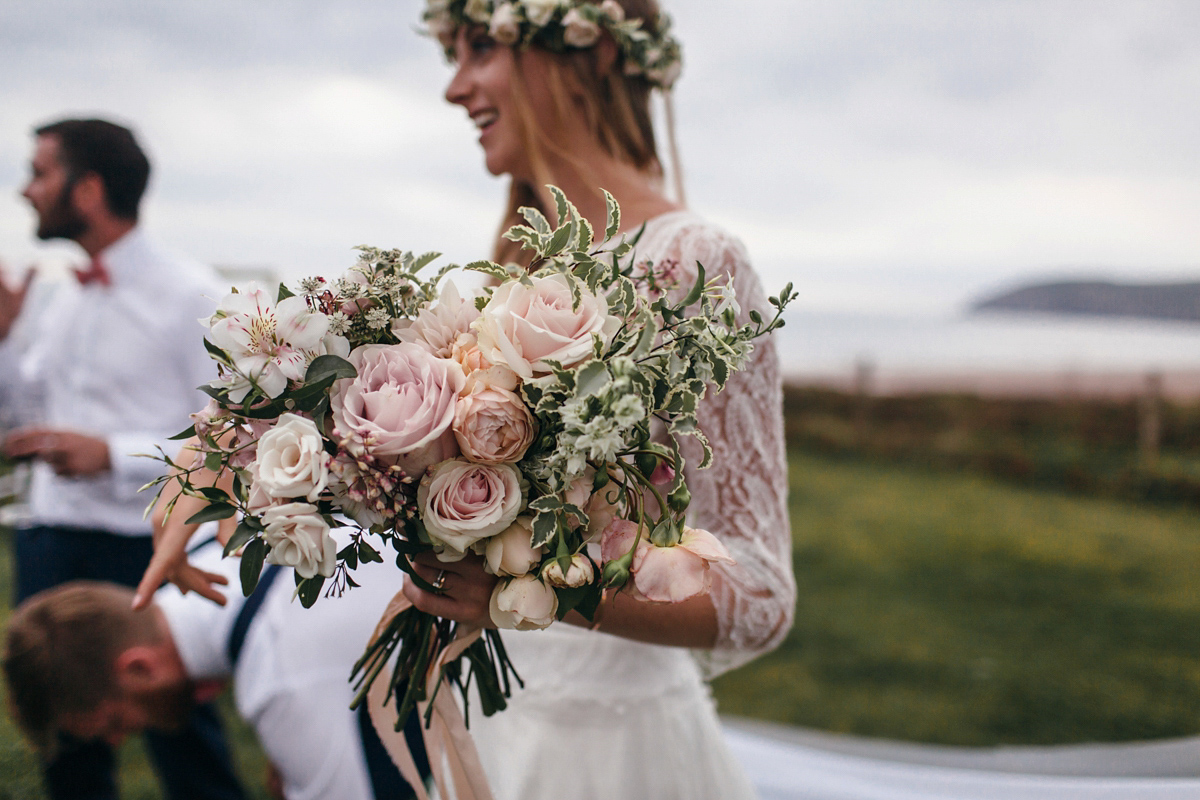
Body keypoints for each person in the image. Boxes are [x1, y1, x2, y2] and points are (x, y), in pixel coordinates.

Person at [397, 2, 796, 798]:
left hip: (617, 752)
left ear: (591, 53)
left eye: (480, 49)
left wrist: (534, 589)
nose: (454, 87)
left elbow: (760, 592)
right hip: (498, 724)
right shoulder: (503, 277)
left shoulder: (693, 261)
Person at [0, 118, 243, 800]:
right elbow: (26, 421)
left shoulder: (191, 296)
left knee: (181, 737)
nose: (26, 191)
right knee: (67, 736)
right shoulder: (62, 294)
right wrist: (2, 342)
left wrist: (110, 454)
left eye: (40, 173)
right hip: (49, 538)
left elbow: (233, 439)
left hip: (143, 542)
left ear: (89, 187)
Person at [3, 530, 429, 800]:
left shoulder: (284, 678)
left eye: (113, 722)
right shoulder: (214, 529)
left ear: (139, 669)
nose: (117, 740)